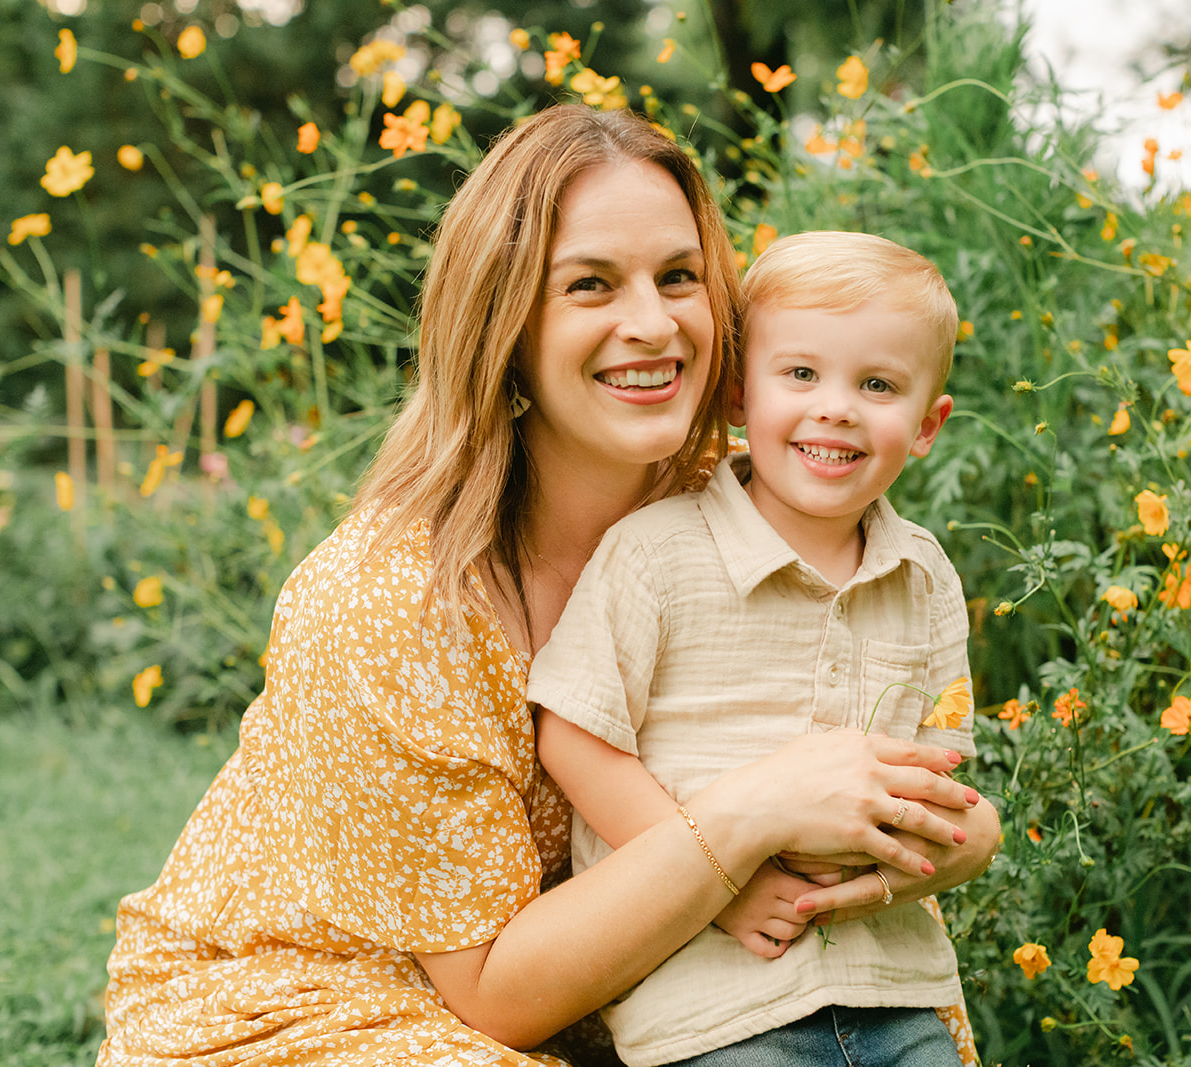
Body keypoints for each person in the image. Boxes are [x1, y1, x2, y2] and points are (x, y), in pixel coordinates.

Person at [97, 107, 996, 1067]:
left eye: (679, 277)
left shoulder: (749, 506)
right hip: (336, 1002)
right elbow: (496, 1001)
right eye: (590, 285)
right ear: (506, 324)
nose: (651, 324)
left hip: (637, 983)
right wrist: (744, 821)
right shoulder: (388, 599)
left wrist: (966, 831)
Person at [530, 230, 991, 1067]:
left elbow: (941, 773)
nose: (836, 407)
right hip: (714, 997)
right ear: (740, 393)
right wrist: (719, 885)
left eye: (877, 384)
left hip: (892, 987)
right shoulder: (658, 552)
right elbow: (576, 735)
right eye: (802, 374)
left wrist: (921, 850)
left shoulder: (922, 574)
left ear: (927, 425)